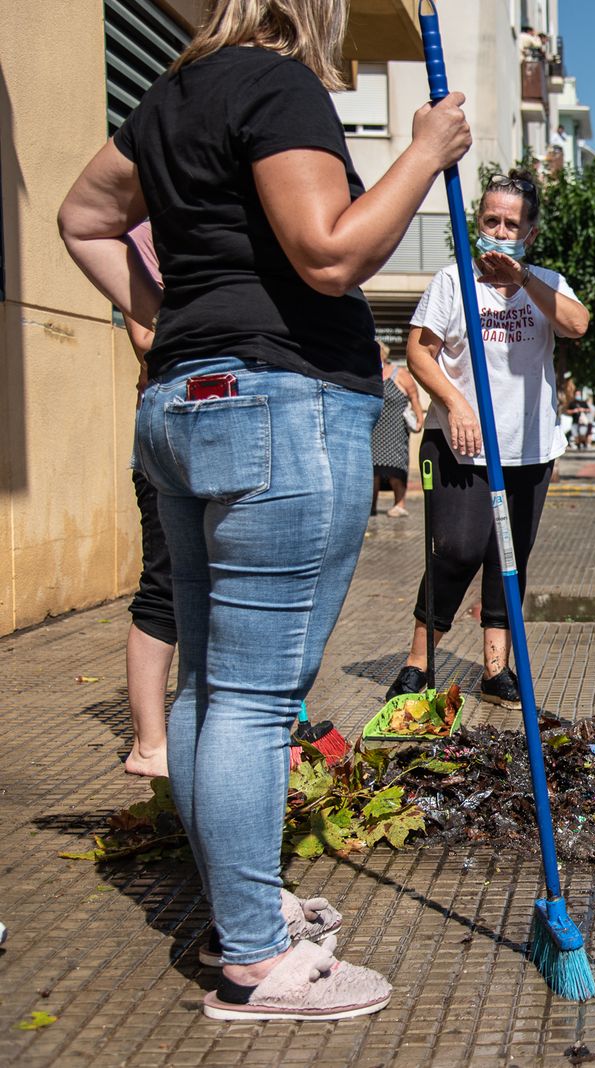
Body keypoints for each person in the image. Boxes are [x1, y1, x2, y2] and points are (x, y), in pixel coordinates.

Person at [59, 0, 471, 1020]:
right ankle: (253, 957)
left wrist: (167, 326)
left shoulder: (168, 97)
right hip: (278, 406)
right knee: (252, 698)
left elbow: (82, 219)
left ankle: (237, 912)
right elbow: (329, 255)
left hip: (185, 405)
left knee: (211, 687)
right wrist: (425, 153)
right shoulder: (278, 86)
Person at [383, 171, 590, 706]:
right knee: (457, 549)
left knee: (509, 557)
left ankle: (496, 671)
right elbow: (419, 352)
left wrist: (524, 280)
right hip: (461, 445)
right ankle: (418, 660)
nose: (499, 231)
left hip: (529, 447)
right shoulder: (452, 282)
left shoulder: (545, 284)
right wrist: (456, 403)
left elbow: (577, 325)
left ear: (530, 233)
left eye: (511, 224)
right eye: (490, 220)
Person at [123, 222, 175, 779]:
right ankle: (147, 744)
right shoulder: (143, 240)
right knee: (165, 582)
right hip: (168, 440)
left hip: (230, 439)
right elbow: (145, 338)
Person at [370, 345, 423, 517]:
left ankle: (399, 504)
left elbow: (414, 397)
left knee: (396, 467)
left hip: (395, 429)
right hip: (375, 429)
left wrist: (419, 418)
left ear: (383, 355)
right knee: (373, 470)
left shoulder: (399, 373)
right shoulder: (370, 374)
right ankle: (371, 506)